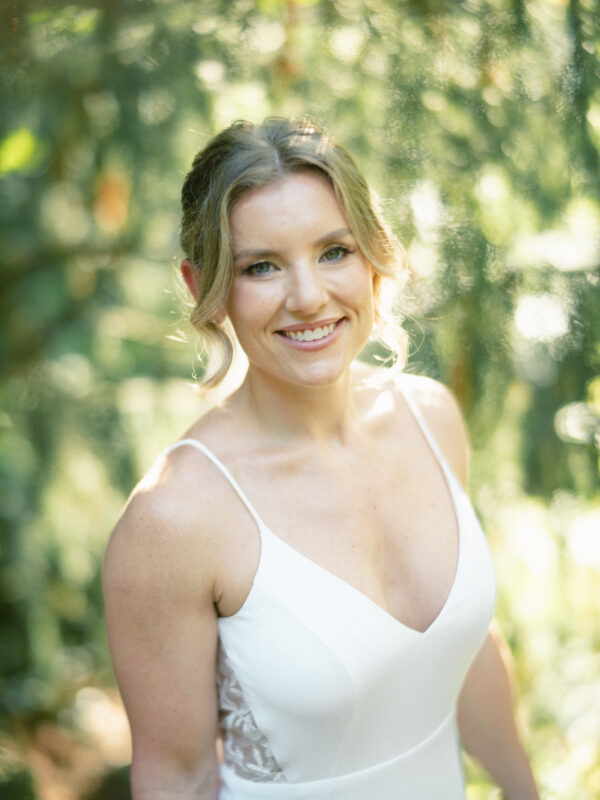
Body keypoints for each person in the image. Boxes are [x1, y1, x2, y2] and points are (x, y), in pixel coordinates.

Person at [103, 117, 540, 799]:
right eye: (262, 267)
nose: (307, 297)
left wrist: (524, 789)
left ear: (373, 255)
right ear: (203, 286)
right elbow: (178, 777)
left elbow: (466, 650)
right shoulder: (173, 520)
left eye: (333, 251)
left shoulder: (431, 417)